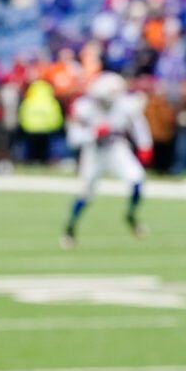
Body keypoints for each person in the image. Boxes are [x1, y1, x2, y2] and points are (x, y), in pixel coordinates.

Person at [61, 72, 152, 248]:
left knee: (137, 181)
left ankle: (131, 216)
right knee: (85, 193)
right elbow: (73, 138)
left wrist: (145, 145)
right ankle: (70, 227)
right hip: (94, 152)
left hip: (117, 148)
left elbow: (138, 124)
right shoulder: (83, 107)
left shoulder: (124, 104)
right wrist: (93, 134)